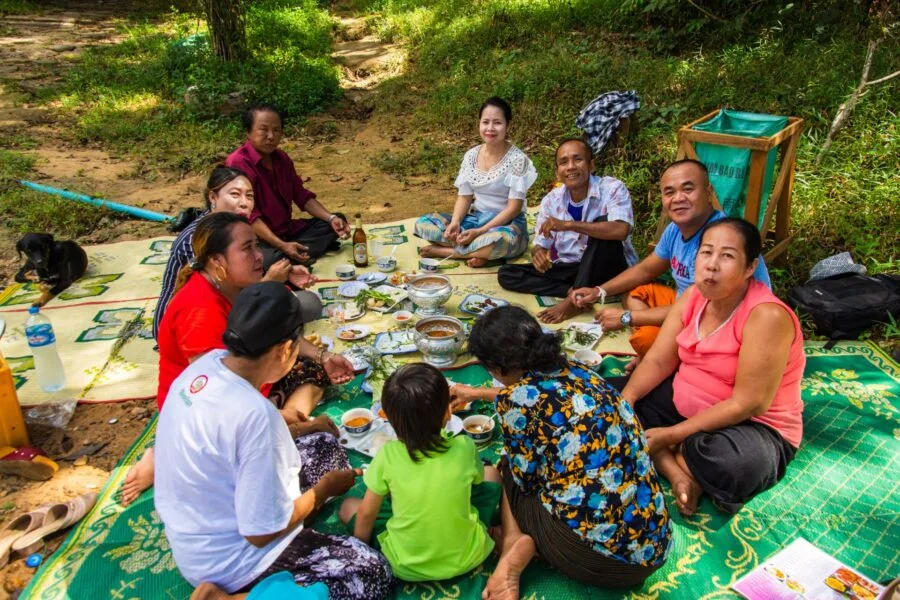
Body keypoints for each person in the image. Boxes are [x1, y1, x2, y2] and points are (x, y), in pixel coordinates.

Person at [155, 282, 393, 598]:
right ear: (284, 350)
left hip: (198, 532)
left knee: (325, 445)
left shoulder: (207, 365)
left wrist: (307, 429)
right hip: (234, 560)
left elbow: (234, 445)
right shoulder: (254, 415)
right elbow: (259, 533)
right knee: (371, 571)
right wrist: (323, 491)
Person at [121, 213, 354, 506]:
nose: (259, 257)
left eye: (257, 247)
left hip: (240, 396)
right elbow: (217, 403)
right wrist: (303, 429)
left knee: (311, 370)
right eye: (248, 249)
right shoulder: (199, 310)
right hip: (211, 421)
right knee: (318, 452)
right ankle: (166, 455)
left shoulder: (234, 284)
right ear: (218, 261)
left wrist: (324, 355)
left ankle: (290, 416)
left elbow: (279, 332)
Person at [457, 306, 671, 598]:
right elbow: (538, 393)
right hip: (652, 546)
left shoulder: (515, 402)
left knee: (508, 466)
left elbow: (526, 481)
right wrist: (476, 393)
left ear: (499, 369)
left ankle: (513, 543)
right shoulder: (579, 371)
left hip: (599, 561)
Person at [612, 218, 805, 516]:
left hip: (752, 425)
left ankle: (669, 450)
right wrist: (627, 401)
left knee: (734, 465)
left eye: (727, 256)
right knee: (610, 400)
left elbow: (748, 403)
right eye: (706, 252)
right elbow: (659, 360)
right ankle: (680, 472)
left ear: (750, 267)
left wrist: (672, 434)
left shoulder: (767, 316)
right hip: (687, 405)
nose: (712, 264)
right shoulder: (692, 296)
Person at [569, 159, 771, 363]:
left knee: (648, 343)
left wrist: (626, 317)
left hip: (718, 318)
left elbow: (700, 308)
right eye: (669, 192)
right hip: (685, 303)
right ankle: (663, 334)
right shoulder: (675, 229)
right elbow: (647, 269)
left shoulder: (718, 239)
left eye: (688, 189)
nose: (678, 198)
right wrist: (599, 291)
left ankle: (667, 348)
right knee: (633, 291)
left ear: (709, 192)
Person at [338, 363, 502, 582]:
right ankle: (491, 528)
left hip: (403, 564)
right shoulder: (464, 446)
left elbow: (367, 513)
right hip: (468, 556)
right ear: (447, 412)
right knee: (492, 473)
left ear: (389, 418)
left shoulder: (388, 455)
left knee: (349, 506)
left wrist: (364, 553)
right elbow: (478, 482)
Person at [152, 166, 317, 340]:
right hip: (190, 325)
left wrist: (286, 274)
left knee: (305, 303)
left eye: (250, 196)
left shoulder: (237, 227)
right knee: (287, 314)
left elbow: (243, 269)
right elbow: (217, 295)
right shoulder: (197, 239)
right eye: (235, 194)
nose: (245, 203)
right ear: (213, 197)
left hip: (227, 303)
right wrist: (268, 284)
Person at [498, 138, 638, 323]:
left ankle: (573, 303)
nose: (570, 167)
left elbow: (621, 230)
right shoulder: (551, 200)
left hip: (609, 267)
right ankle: (572, 291)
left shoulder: (612, 188)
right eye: (563, 162)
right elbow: (541, 243)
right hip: (573, 267)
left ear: (591, 165)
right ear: (558, 172)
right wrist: (539, 253)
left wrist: (569, 225)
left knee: (603, 225)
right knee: (507, 274)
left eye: (577, 159)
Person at [414, 97, 538, 267]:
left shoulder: (518, 160)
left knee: (503, 240)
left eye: (497, 123)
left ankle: (450, 252)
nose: (490, 128)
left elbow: (514, 208)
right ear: (479, 123)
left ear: (508, 125)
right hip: (475, 220)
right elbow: (464, 197)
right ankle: (480, 252)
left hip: (505, 224)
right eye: (485, 122)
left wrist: (480, 232)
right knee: (423, 223)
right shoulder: (471, 156)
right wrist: (456, 222)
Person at [226, 104, 350, 269]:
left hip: (287, 231)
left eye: (276, 130)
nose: (271, 136)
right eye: (263, 129)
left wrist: (331, 218)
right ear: (248, 132)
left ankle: (292, 257)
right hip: (258, 239)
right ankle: (291, 256)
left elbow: (301, 195)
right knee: (264, 259)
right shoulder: (238, 162)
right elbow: (249, 216)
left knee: (334, 221)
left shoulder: (282, 158)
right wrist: (282, 246)